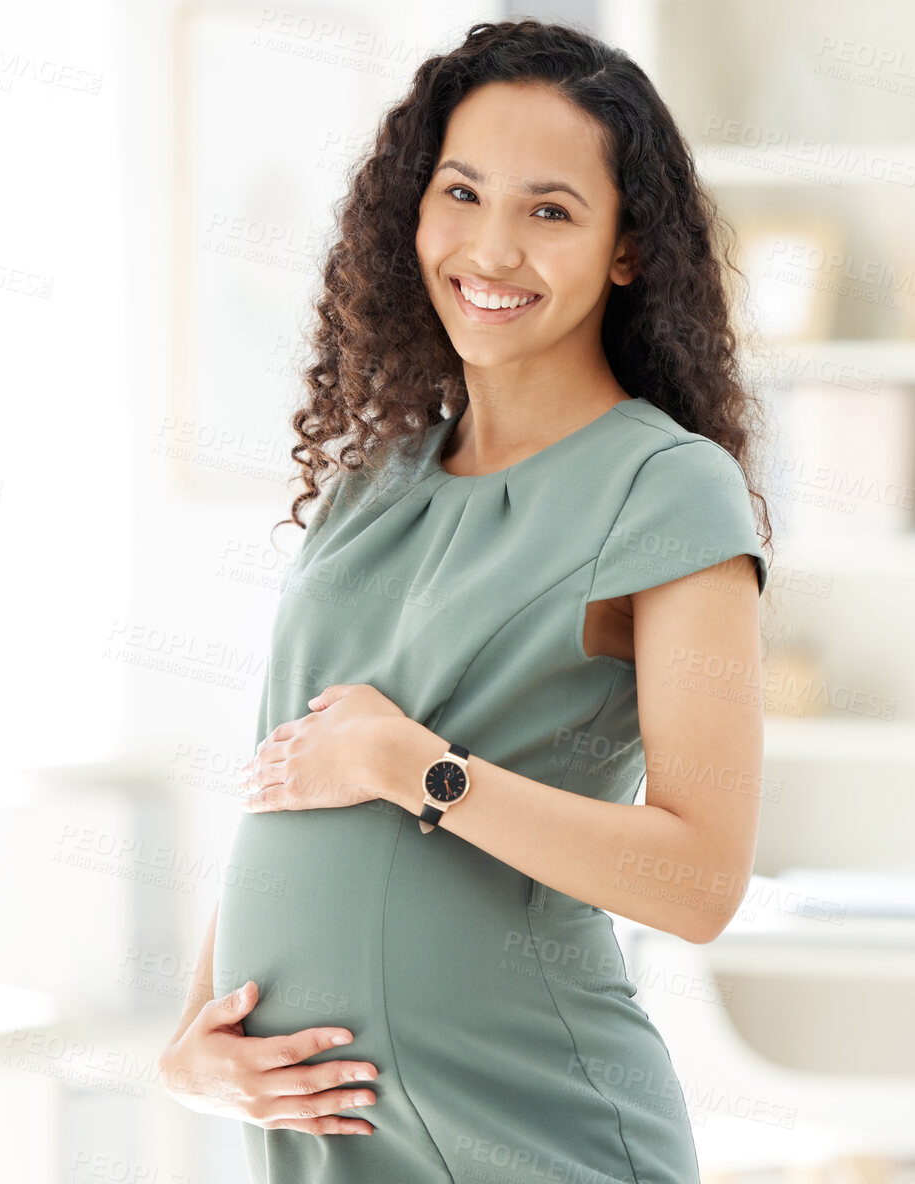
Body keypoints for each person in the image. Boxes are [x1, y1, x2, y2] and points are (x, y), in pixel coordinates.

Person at [157, 18, 774, 1184]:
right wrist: (194, 1040)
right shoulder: (369, 482)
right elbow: (285, 770)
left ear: (626, 249)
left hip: (533, 1124)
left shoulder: (664, 486)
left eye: (549, 210)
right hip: (325, 1134)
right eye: (461, 192)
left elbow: (699, 881)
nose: (491, 249)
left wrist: (414, 768)